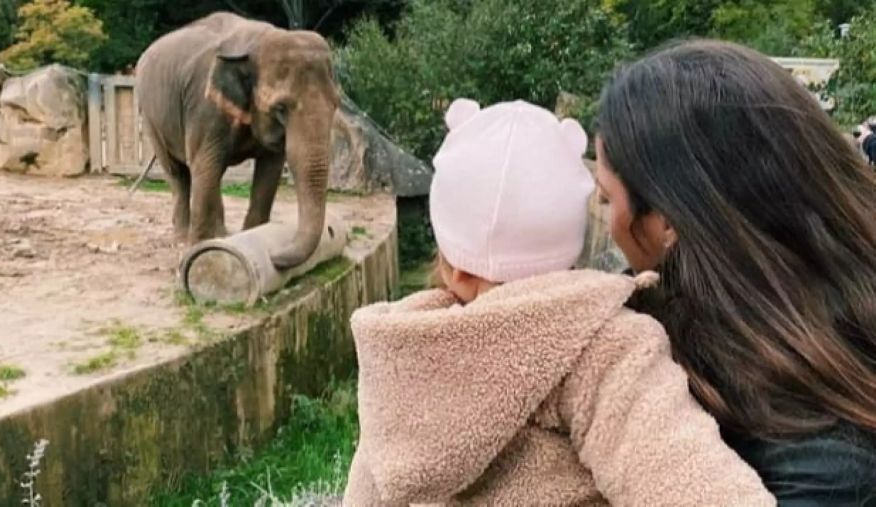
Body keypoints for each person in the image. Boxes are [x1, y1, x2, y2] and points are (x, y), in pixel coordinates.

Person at [343, 99, 775, 506]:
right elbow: (689, 482)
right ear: (571, 248)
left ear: (453, 265)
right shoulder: (603, 347)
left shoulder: (404, 356)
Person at [594, 39, 876, 505]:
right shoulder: (830, 351)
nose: (608, 221)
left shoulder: (808, 461)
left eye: (607, 199)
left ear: (665, 222)